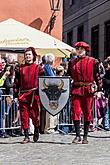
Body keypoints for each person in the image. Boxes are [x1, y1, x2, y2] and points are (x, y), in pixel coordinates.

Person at [67, 41, 102, 144]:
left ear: (86, 50)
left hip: (88, 90)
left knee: (87, 112)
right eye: (77, 49)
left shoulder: (93, 61)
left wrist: (99, 90)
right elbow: (68, 76)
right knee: (76, 112)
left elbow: (98, 77)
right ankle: (77, 136)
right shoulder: (71, 63)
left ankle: (85, 136)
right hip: (76, 89)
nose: (79, 51)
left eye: (81, 49)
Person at [14, 47, 44, 144]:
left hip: (34, 95)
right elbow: (16, 83)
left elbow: (43, 82)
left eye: (29, 54)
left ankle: (36, 129)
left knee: (35, 115)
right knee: (24, 115)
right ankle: (26, 136)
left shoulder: (38, 68)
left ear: (33, 56)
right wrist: (15, 95)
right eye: (26, 55)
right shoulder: (20, 68)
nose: (27, 56)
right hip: (23, 94)